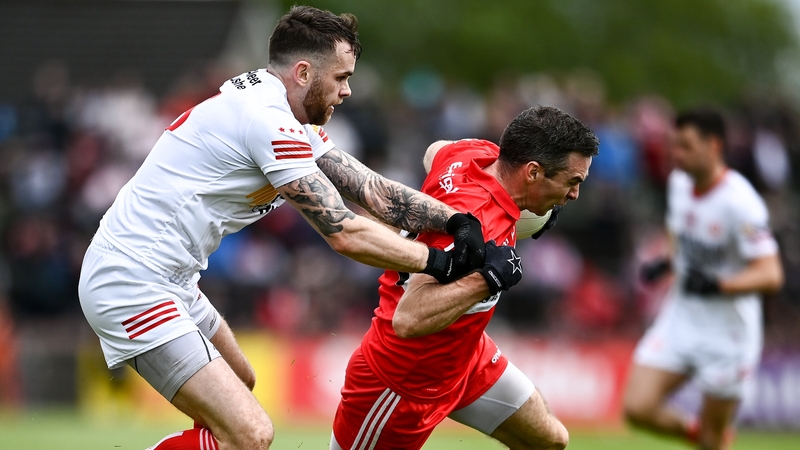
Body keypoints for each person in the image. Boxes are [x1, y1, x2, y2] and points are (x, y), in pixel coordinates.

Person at [78, 6, 505, 450]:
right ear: (303, 72)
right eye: (340, 77)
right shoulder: (268, 120)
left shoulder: (283, 113)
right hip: (132, 279)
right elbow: (344, 231)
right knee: (250, 435)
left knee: (241, 385)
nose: (348, 91)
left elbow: (371, 189)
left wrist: (457, 221)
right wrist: (443, 263)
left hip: (172, 279)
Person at [329, 106, 600, 450]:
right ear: (533, 172)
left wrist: (535, 211)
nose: (574, 194)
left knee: (550, 441)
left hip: (466, 357)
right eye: (572, 182)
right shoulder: (477, 223)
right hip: (401, 379)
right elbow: (408, 318)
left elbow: (434, 152)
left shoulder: (478, 155)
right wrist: (488, 278)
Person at [624, 108, 784, 450]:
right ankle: (704, 436)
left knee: (713, 439)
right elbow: (678, 229)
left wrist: (718, 285)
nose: (675, 154)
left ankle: (712, 439)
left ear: (714, 146)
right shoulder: (679, 184)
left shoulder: (741, 203)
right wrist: (667, 262)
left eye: (685, 146)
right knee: (637, 408)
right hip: (681, 317)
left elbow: (771, 274)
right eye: (673, 145)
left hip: (728, 333)